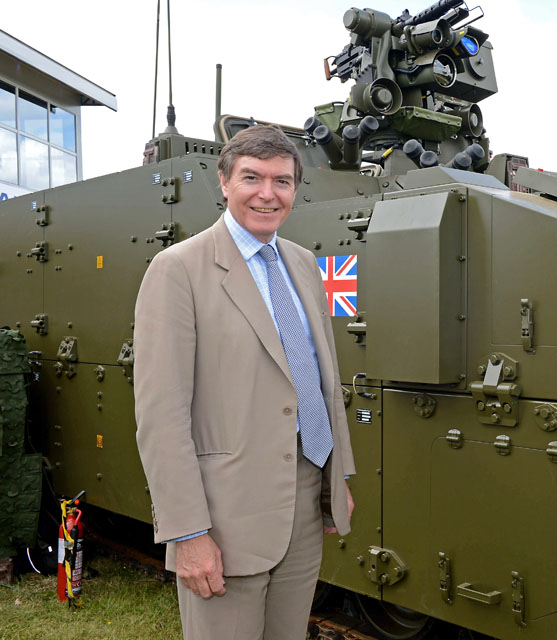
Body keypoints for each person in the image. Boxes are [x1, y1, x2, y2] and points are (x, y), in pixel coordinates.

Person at [134, 125, 355, 640]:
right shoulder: (178, 269)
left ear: (295, 189)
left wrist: (336, 476)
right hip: (224, 514)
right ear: (225, 182)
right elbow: (161, 416)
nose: (267, 193)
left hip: (303, 499)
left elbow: (321, 380)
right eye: (251, 177)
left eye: (281, 181)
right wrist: (188, 532)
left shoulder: (302, 264)